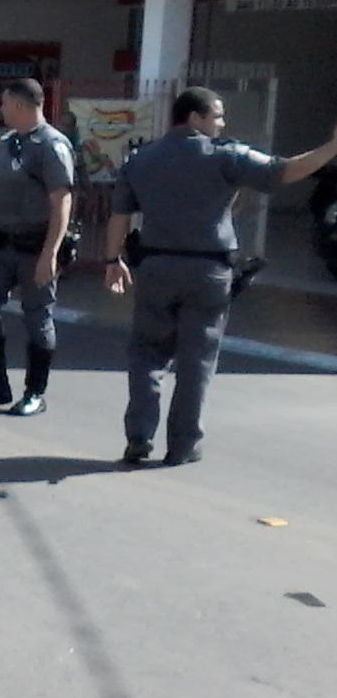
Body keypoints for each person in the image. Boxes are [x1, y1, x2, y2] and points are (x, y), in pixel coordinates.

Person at [105, 88, 337, 466]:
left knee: (147, 353)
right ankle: (183, 446)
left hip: (156, 267)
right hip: (208, 271)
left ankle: (139, 436)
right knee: (196, 361)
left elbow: (119, 215)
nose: (222, 123)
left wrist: (112, 259)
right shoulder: (225, 156)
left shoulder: (140, 159)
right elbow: (283, 171)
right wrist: (332, 147)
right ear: (194, 117)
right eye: (217, 116)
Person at [0, 79, 76, 418]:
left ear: (19, 105)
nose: (1, 109)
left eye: (4, 103)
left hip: (35, 245)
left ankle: (34, 393)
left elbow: (62, 201)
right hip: (0, 243)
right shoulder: (6, 143)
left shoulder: (52, 145)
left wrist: (50, 253)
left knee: (37, 317)